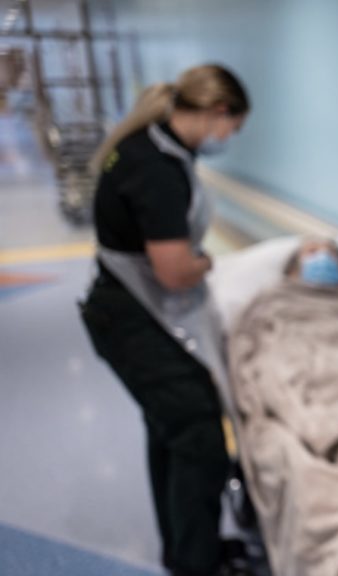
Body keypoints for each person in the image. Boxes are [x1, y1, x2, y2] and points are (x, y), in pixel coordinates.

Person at [79, 64, 250, 576]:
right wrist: (215, 264)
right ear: (219, 112)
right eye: (232, 128)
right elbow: (175, 273)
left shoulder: (149, 148)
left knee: (167, 430)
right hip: (130, 319)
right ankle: (197, 563)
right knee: (199, 437)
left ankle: (182, 551)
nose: (227, 138)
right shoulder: (154, 168)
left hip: (127, 308)